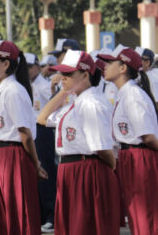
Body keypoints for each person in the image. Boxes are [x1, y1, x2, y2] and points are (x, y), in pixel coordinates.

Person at [37, 49, 120, 235]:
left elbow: (103, 149)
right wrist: (63, 92)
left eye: (68, 73)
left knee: (85, 226)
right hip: (71, 170)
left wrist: (109, 170)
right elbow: (42, 118)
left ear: (84, 74)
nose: (62, 77)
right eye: (61, 73)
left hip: (87, 169)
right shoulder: (75, 102)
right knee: (71, 226)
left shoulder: (91, 103)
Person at [0, 42, 46, 235]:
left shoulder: (14, 90)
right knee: (4, 213)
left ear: (6, 64)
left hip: (13, 154)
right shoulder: (1, 89)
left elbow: (25, 133)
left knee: (19, 212)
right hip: (1, 154)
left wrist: (35, 163)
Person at [98, 45, 158, 235]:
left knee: (145, 215)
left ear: (123, 68)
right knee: (137, 215)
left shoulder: (133, 95)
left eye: (109, 62)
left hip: (140, 156)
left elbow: (148, 136)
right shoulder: (124, 93)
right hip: (130, 155)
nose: (104, 66)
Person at [25, 52, 56, 233]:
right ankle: (43, 215)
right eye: (26, 67)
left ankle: (51, 214)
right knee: (35, 173)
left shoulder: (45, 86)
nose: (28, 70)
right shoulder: (27, 84)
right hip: (32, 130)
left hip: (43, 130)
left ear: (37, 66)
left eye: (30, 67)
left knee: (46, 172)